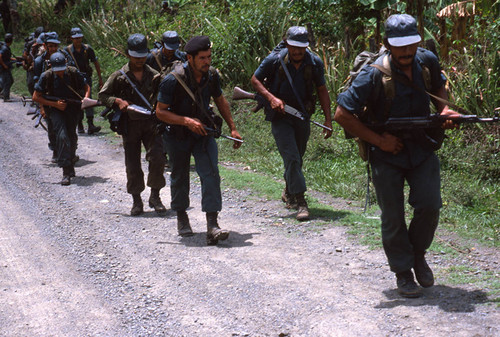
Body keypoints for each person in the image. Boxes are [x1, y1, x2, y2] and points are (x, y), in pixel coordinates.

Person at [334, 14, 460, 298]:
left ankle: (417, 256)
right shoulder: (373, 74)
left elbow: (438, 88)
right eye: (399, 46)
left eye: (410, 45)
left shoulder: (427, 60)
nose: (405, 52)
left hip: (422, 148)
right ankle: (403, 272)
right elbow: (342, 114)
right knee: (393, 216)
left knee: (430, 205)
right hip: (386, 154)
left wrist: (444, 111)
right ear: (387, 43)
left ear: (417, 41)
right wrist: (380, 140)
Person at [155, 35, 242, 245]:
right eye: (202, 58)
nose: (207, 62)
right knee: (179, 175)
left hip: (203, 132)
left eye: (209, 57)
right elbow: (160, 112)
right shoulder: (172, 80)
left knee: (211, 173)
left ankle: (212, 224)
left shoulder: (212, 76)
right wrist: (185, 121)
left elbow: (220, 100)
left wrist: (233, 127)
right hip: (177, 135)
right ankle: (182, 216)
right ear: (189, 58)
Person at [250, 26, 333, 221]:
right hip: (280, 116)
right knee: (292, 157)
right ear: (287, 44)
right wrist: (271, 98)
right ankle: (301, 201)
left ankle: (289, 189)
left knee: (297, 157)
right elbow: (255, 80)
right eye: (294, 47)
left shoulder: (314, 63)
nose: (297, 52)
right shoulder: (274, 60)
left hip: (302, 115)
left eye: (301, 48)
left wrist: (328, 119)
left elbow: (322, 90)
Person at [99, 33, 167, 216]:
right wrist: (118, 102)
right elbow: (102, 96)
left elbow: (165, 97)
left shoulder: (154, 76)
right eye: (136, 57)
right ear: (128, 55)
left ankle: (155, 196)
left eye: (142, 56)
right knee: (133, 164)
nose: (139, 60)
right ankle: (137, 201)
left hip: (151, 124)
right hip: (130, 124)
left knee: (158, 158)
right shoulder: (119, 76)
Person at [33, 52, 90, 185]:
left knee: (71, 136)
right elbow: (36, 96)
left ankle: (70, 163)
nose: (60, 72)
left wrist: (86, 99)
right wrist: (54, 105)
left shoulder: (73, 72)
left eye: (61, 69)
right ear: (50, 66)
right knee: (62, 136)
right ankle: (66, 171)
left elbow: (86, 86)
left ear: (66, 63)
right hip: (55, 111)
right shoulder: (46, 76)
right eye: (56, 70)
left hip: (72, 109)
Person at [146, 30, 187, 167]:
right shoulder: (151, 57)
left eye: (174, 48)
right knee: (156, 126)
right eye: (169, 48)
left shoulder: (181, 57)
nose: (171, 51)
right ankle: (158, 154)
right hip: (155, 97)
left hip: (174, 97)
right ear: (162, 44)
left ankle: (172, 153)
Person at [33, 31, 75, 163]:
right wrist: (42, 107)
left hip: (65, 97)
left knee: (69, 130)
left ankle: (70, 154)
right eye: (50, 46)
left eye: (55, 46)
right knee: (52, 128)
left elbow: (73, 74)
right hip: (47, 99)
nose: (53, 49)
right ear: (45, 46)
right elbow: (37, 87)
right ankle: (56, 150)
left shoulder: (64, 57)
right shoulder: (39, 61)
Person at [65, 27, 103, 134]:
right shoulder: (67, 50)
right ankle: (79, 124)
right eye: (75, 38)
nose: (78, 40)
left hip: (86, 77)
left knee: (88, 99)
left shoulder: (87, 49)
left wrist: (100, 79)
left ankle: (90, 124)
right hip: (74, 79)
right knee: (77, 100)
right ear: (72, 39)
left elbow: (95, 63)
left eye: (79, 38)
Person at [0, 33, 15, 102]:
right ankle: (6, 97)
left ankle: (3, 93)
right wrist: (4, 65)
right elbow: (0, 56)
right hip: (3, 68)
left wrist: (14, 59)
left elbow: (6, 57)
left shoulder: (6, 47)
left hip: (6, 67)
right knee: (7, 81)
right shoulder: (5, 48)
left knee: (10, 80)